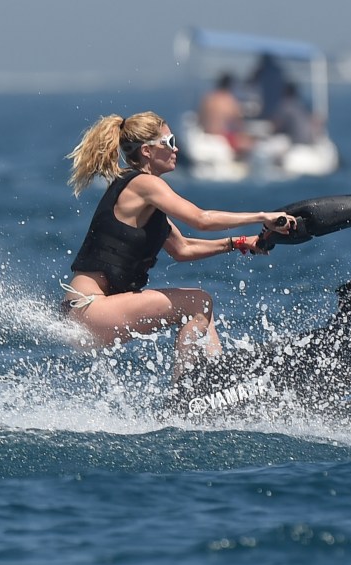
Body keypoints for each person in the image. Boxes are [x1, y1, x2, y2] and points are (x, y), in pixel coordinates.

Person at [61, 111, 295, 378]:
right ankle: (187, 392)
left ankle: (217, 384)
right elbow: (201, 219)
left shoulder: (145, 199)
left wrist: (239, 242)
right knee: (198, 302)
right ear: (147, 151)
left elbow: (182, 249)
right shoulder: (143, 184)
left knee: (202, 309)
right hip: (89, 309)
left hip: (90, 312)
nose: (176, 148)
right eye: (169, 142)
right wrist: (263, 216)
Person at [196, 73, 253, 156]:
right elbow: (239, 124)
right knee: (248, 143)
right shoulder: (229, 100)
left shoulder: (207, 98)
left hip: (206, 135)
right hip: (220, 136)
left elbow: (199, 119)